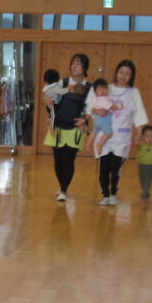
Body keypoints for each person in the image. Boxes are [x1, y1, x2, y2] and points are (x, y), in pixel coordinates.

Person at [86, 59, 148, 206]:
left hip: (121, 137)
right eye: (121, 72)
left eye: (127, 74)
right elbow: (89, 106)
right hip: (103, 136)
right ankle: (105, 194)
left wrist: (139, 131)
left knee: (115, 169)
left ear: (131, 76)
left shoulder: (133, 92)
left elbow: (138, 113)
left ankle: (113, 192)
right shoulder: (104, 88)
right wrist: (96, 111)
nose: (123, 76)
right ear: (116, 72)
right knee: (103, 169)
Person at [44, 54, 90, 202]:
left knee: (68, 160)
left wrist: (85, 119)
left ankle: (63, 190)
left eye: (78, 63)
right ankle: (62, 187)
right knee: (58, 161)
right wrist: (48, 107)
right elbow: (52, 101)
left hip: (75, 128)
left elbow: (91, 108)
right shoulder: (62, 83)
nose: (74, 66)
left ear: (85, 67)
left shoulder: (89, 87)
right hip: (58, 126)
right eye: (73, 63)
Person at [90, 79, 122, 158]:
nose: (102, 91)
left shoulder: (95, 98)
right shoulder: (103, 99)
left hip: (96, 120)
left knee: (94, 132)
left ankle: (88, 144)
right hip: (103, 119)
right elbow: (112, 107)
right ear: (95, 92)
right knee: (108, 133)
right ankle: (100, 144)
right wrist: (119, 106)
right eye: (99, 89)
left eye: (104, 89)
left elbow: (92, 108)